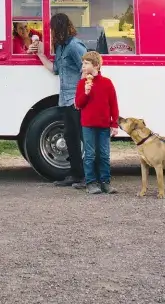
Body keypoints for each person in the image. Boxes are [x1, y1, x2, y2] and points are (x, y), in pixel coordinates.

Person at [37, 13, 87, 186]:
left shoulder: (74, 46)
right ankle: (75, 174)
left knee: (81, 137)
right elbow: (56, 69)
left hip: (75, 100)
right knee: (71, 137)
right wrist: (41, 55)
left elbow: (86, 69)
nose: (52, 33)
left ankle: (85, 176)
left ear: (60, 28)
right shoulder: (61, 48)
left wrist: (81, 96)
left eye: (54, 29)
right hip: (65, 99)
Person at [73, 51, 119, 194]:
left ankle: (105, 182)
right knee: (90, 154)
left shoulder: (107, 83)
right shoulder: (82, 84)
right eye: (83, 63)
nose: (83, 66)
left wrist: (114, 123)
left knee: (104, 154)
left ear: (96, 65)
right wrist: (86, 93)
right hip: (88, 125)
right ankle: (91, 182)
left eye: (86, 63)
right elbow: (78, 104)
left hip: (104, 124)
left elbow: (113, 104)